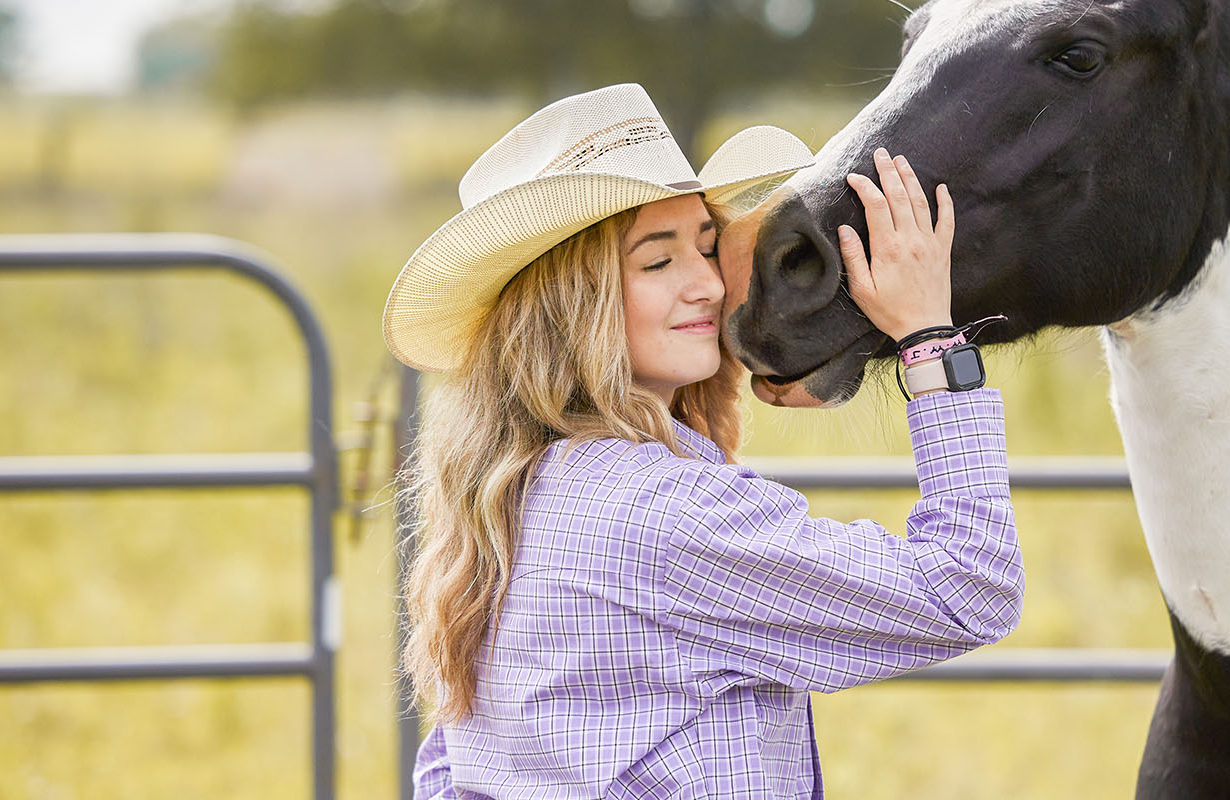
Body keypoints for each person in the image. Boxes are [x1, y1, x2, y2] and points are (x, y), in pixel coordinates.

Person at [384, 84, 1021, 799]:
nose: (707, 286)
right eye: (657, 262)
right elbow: (968, 588)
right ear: (570, 306)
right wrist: (929, 339)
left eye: (708, 247)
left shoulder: (507, 498)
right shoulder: (665, 511)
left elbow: (451, 768)